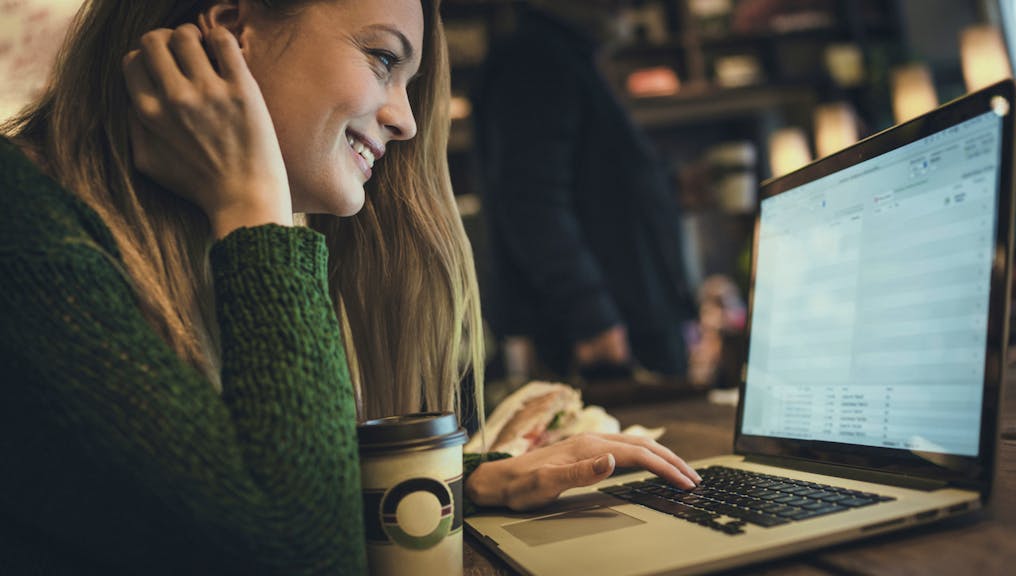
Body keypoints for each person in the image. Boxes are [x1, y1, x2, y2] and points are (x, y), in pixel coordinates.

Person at [0, 0, 702, 573]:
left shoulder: (156, 241)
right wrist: (254, 210)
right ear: (230, 33)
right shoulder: (23, 227)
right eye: (384, 59)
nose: (407, 117)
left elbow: (222, 486)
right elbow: (297, 557)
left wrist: (465, 480)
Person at [476, 0, 696, 379]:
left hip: (626, 324)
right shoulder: (536, 59)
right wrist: (591, 316)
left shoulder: (565, 57)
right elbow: (532, 203)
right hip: (609, 339)